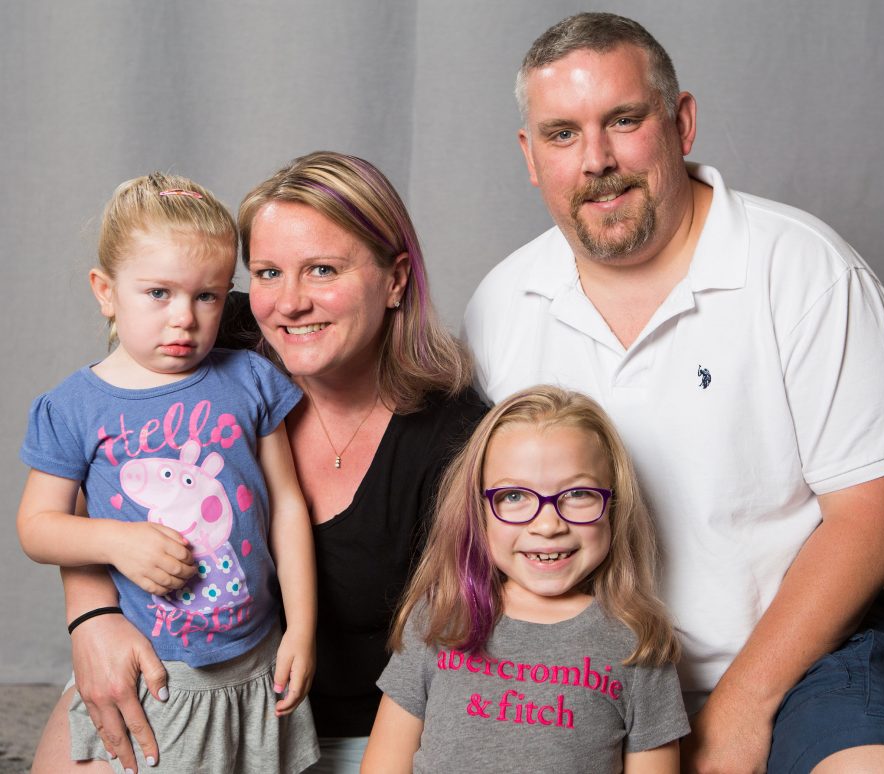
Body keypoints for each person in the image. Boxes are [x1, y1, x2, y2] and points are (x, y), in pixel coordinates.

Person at [463, 12, 884, 773]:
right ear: (531, 156)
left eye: (624, 120)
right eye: (562, 134)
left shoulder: (805, 271)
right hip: (587, 670)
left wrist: (741, 706)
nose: (596, 159)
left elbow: (878, 513)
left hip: (810, 656)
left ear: (682, 122)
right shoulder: (501, 305)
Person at [33, 153, 487, 774]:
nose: (289, 304)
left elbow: (459, 646)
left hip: (349, 723)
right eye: (269, 272)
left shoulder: (456, 436)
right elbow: (94, 478)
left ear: (395, 280)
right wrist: (93, 617)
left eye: (323, 269)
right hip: (167, 672)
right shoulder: (212, 332)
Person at [18, 173, 319, 773]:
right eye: (159, 292)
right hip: (156, 669)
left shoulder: (252, 380)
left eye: (207, 296)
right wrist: (117, 540)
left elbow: (287, 505)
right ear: (106, 291)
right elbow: (37, 527)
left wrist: (303, 628)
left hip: (256, 658)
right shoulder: (74, 406)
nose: (184, 318)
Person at [362, 386, 687, 773]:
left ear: (614, 505)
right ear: (478, 509)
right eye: (514, 496)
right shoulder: (438, 618)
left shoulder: (639, 644)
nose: (548, 525)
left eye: (578, 494)